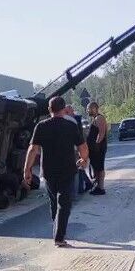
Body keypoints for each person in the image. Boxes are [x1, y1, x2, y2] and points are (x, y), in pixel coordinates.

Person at [23, 96, 89, 247]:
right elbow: (83, 147)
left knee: (55, 203)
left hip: (48, 172)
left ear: (49, 109)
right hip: (68, 170)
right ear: (64, 109)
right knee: (64, 203)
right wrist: (84, 160)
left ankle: (58, 230)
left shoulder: (41, 126)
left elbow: (33, 149)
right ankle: (59, 236)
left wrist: (27, 170)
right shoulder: (71, 126)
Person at [86, 101, 108, 195]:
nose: (87, 111)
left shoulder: (99, 118)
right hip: (95, 149)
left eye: (89, 108)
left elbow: (101, 133)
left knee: (100, 167)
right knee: (96, 167)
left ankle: (101, 188)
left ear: (95, 108)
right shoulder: (95, 118)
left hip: (98, 148)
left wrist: (97, 145)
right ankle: (97, 186)